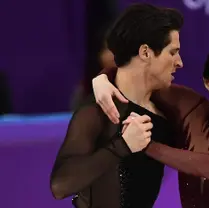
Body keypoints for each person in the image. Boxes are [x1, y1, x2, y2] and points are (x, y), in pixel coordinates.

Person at [93, 44, 209, 207]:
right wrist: (102, 79)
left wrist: (144, 144)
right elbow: (136, 79)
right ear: (207, 83)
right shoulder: (189, 107)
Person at [49, 3, 184, 208]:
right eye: (172, 52)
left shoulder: (166, 112)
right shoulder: (99, 110)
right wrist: (122, 146)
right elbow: (60, 185)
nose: (179, 62)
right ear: (146, 53)